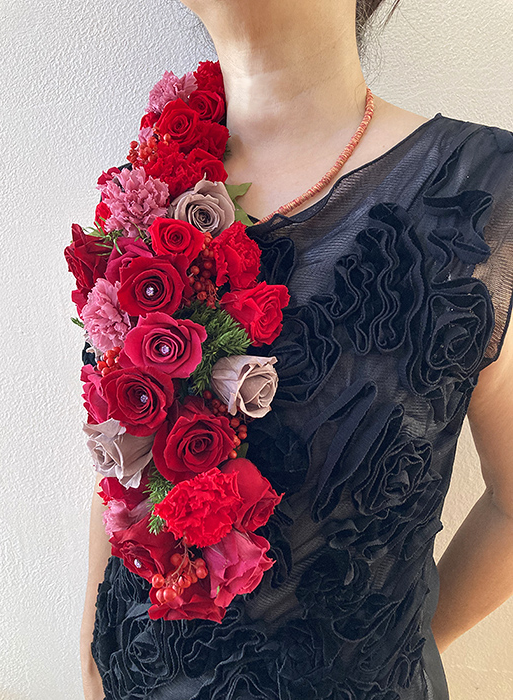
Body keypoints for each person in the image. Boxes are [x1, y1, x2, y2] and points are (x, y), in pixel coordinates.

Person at [80, 1, 513, 698]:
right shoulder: (142, 195)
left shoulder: (487, 200)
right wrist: (89, 655)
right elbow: (121, 464)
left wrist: (392, 655)